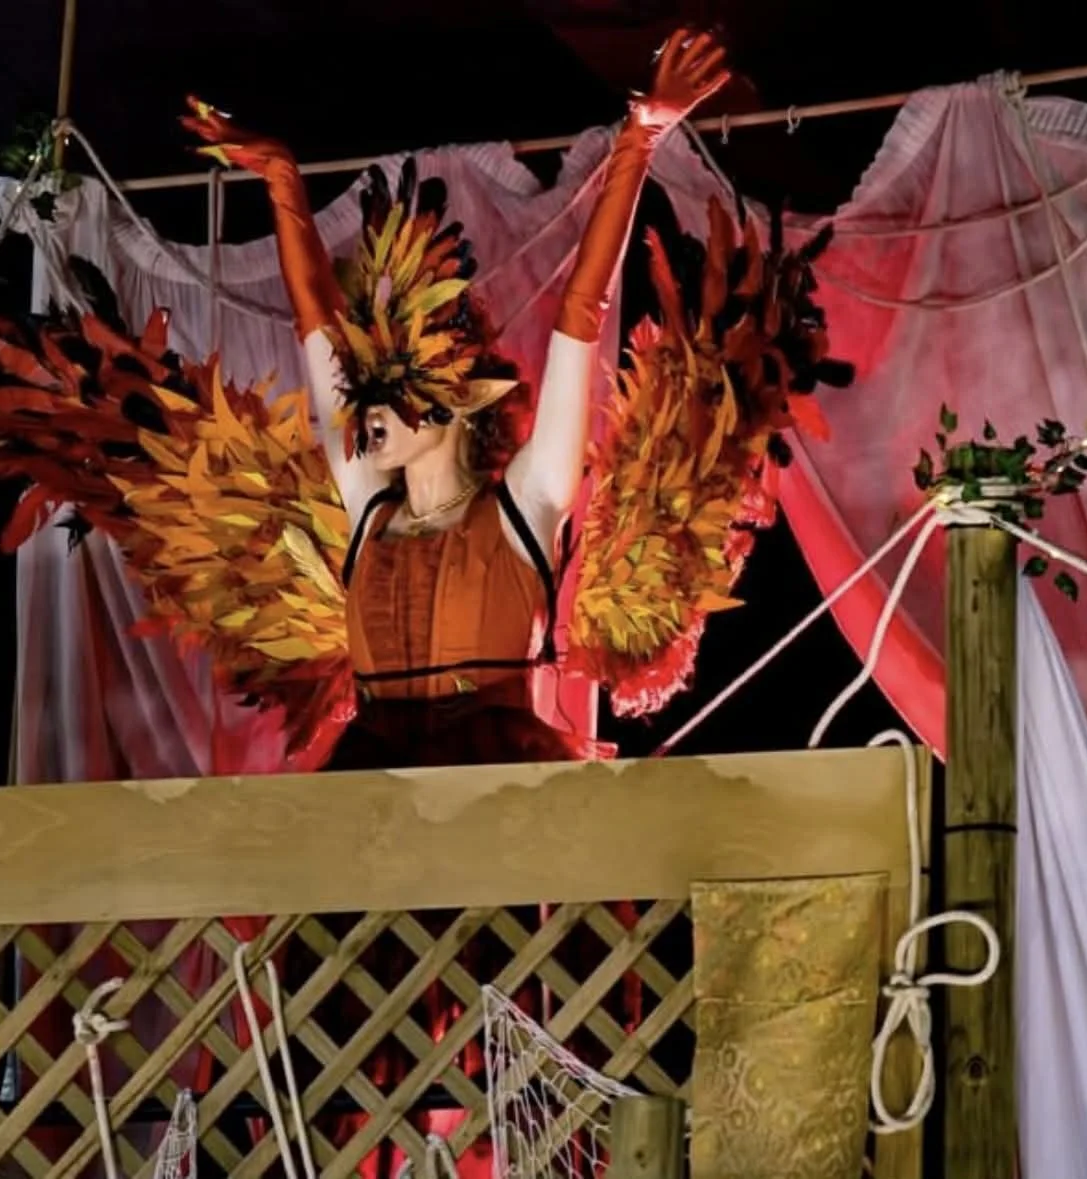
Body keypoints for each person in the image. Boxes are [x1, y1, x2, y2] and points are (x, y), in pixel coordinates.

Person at [183, 27, 730, 772]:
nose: (361, 409)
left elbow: (581, 312)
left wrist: (640, 141)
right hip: (374, 781)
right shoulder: (367, 512)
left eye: (388, 395)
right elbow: (316, 328)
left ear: (449, 409)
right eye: (365, 392)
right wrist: (283, 183)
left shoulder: (525, 504)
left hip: (494, 779)